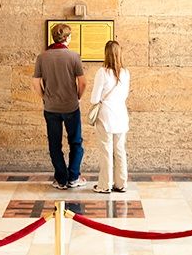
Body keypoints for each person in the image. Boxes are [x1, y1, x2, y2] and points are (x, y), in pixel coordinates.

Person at [32, 22, 87, 189]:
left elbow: (35, 83)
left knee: (54, 144)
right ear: (67, 38)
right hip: (71, 106)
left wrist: (44, 97)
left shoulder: (42, 57)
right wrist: (77, 97)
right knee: (75, 142)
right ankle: (73, 177)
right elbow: (83, 82)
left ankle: (61, 179)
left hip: (51, 108)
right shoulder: (74, 56)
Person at [90, 39, 130, 194]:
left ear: (106, 54)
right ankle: (121, 183)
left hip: (105, 116)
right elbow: (125, 95)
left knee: (106, 151)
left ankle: (105, 185)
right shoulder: (125, 73)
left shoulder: (102, 72)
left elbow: (94, 99)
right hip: (121, 115)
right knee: (119, 150)